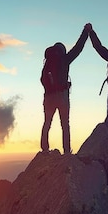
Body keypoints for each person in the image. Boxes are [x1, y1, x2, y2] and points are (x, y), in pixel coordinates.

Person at [40, 23, 91, 155]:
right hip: (62, 96)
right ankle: (67, 152)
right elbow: (78, 48)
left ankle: (44, 149)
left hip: (49, 97)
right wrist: (86, 32)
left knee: (47, 123)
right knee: (65, 125)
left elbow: (42, 80)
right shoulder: (64, 59)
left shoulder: (48, 62)